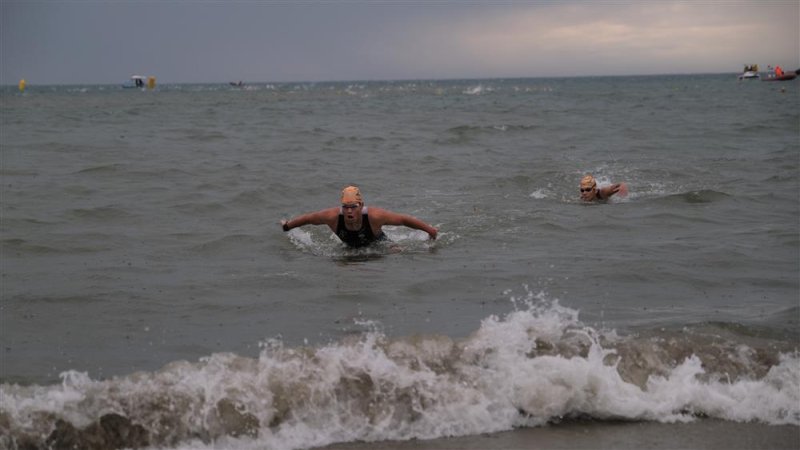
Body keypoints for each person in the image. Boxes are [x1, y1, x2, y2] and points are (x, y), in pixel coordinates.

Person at [281, 185, 438, 248]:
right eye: (346, 207)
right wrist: (287, 226)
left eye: (353, 207)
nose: (349, 211)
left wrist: (429, 230)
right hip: (349, 249)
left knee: (395, 251)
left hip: (379, 245)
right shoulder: (331, 216)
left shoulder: (375, 216)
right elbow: (308, 218)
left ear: (361, 206)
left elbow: (404, 220)